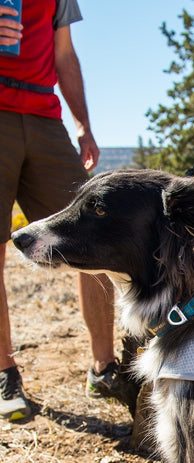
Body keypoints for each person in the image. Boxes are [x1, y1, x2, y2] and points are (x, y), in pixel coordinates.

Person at [0, 0, 130, 421]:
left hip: (42, 116)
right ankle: (6, 374)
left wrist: (83, 125)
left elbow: (64, 54)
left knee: (91, 236)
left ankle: (104, 367)